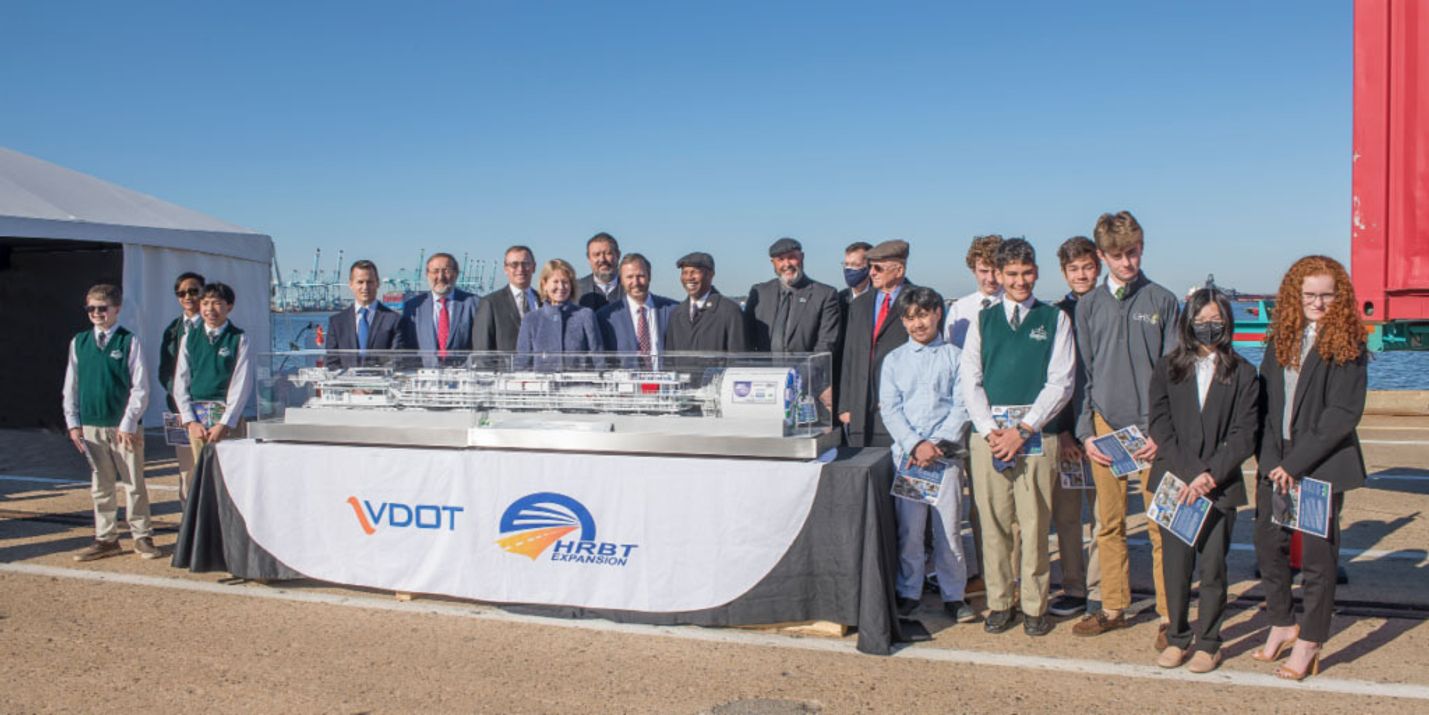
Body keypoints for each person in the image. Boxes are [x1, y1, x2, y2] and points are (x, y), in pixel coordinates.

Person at [1252, 255, 1368, 681]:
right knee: (1268, 542)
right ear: (1294, 297)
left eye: (1326, 295)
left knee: (1319, 558)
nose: (1318, 303)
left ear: (1339, 297)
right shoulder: (1282, 338)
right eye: (1310, 295)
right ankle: (1282, 621)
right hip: (1278, 460)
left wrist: (1295, 465)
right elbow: (1265, 407)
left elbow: (1341, 415)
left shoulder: (1348, 344)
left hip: (1320, 464)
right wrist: (1270, 463)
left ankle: (1311, 640)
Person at [1072, 211, 1180, 644]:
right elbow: (1082, 373)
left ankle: (1170, 615)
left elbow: (1176, 374)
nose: (1127, 263)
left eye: (1133, 253)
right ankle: (1113, 607)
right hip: (1105, 427)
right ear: (1101, 257)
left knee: (1160, 524)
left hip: (1152, 430)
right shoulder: (1088, 306)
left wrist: (1163, 431)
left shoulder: (1163, 301)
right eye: (1117, 256)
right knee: (1109, 522)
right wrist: (1085, 432)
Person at [960, 238, 1074, 636]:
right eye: (1012, 274)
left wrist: (1024, 430)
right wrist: (993, 432)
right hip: (990, 438)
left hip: (1036, 437)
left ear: (1036, 272)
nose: (1020, 280)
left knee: (1036, 523)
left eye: (1027, 273)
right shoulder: (983, 319)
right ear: (999, 275)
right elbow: (970, 380)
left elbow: (1061, 382)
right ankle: (999, 602)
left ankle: (1034, 605)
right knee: (993, 525)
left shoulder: (1054, 318)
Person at [1146, 288, 1258, 674]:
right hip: (1177, 483)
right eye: (1202, 321)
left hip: (1219, 485)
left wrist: (1212, 474)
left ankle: (1210, 642)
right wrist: (1191, 472)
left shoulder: (1243, 371)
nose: (1208, 328)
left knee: (1213, 569)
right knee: (1176, 568)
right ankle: (1177, 637)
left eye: (1216, 321)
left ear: (1227, 324)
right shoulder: (1167, 368)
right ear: (1188, 322)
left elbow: (1246, 432)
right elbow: (1160, 423)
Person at [879, 286, 977, 624]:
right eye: (910, 317)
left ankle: (954, 593)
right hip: (908, 460)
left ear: (937, 313)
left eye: (923, 314)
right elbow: (890, 409)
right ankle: (909, 590)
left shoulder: (956, 356)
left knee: (948, 530)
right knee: (910, 530)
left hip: (944, 459)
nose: (918, 324)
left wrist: (935, 444)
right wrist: (914, 444)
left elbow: (962, 405)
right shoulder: (894, 360)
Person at [63, 284, 158, 561]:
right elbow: (71, 384)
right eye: (91, 308)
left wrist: (128, 422)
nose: (96, 313)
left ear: (116, 309)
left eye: (102, 308)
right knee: (101, 484)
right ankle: (106, 538)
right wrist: (73, 422)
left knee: (133, 483)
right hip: (92, 424)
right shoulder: (79, 342)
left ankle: (142, 535)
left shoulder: (129, 341)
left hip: (122, 427)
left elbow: (140, 387)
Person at [1046, 236, 1103, 618]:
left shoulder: (1109, 307)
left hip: (1105, 426)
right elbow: (1053, 378)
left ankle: (1102, 587)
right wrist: (1064, 430)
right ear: (1064, 272)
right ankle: (1074, 585)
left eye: (1087, 267)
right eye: (1073, 269)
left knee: (1104, 516)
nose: (1081, 275)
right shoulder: (1057, 315)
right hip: (1067, 431)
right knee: (1067, 516)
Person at [173, 282, 254, 485]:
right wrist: (190, 420)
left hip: (225, 417)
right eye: (206, 303)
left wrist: (225, 422)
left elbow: (241, 383)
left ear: (229, 306)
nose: (210, 309)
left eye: (217, 303)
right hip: (197, 419)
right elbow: (181, 381)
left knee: (231, 475)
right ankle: (200, 517)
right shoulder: (190, 337)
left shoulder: (238, 338)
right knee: (199, 476)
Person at [838, 239, 912, 447]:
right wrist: (845, 404)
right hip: (860, 410)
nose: (871, 273)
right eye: (870, 267)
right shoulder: (860, 304)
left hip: (900, 410)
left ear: (898, 270)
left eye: (878, 268)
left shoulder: (916, 300)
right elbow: (850, 355)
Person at [744, 237, 841, 355]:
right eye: (780, 259)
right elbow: (747, 337)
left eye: (791, 257)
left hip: (805, 372)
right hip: (766, 371)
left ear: (802, 257)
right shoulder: (759, 293)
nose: (787, 264)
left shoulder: (824, 295)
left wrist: (807, 370)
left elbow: (826, 344)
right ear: (773, 263)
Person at [159, 271, 204, 501]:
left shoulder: (212, 327)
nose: (188, 297)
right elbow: (165, 369)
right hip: (179, 410)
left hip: (208, 409)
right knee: (186, 471)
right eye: (182, 293)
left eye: (193, 291)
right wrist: (179, 397)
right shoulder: (173, 329)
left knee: (208, 469)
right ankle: (187, 522)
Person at [516, 258, 603, 369]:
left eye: (565, 282)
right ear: (544, 285)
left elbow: (598, 358)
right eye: (556, 282)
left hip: (580, 385)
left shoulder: (585, 315)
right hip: (542, 385)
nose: (561, 287)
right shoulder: (531, 319)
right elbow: (522, 363)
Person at [596, 253, 677, 365]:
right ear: (622, 280)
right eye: (629, 277)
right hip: (625, 381)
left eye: (641, 276)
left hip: (663, 380)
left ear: (649, 276)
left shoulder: (673, 310)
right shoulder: (606, 317)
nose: (636, 282)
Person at [400, 252, 479, 358]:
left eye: (446, 271)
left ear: (456, 274)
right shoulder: (413, 307)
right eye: (435, 271)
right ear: (427, 274)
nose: (441, 277)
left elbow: (480, 345)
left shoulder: (474, 304)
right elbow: (407, 347)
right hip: (426, 372)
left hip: (462, 372)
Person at [664, 252, 747, 352]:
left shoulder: (729, 312)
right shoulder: (676, 315)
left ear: (710, 274)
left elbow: (738, 359)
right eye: (684, 272)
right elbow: (670, 361)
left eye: (695, 272)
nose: (689, 277)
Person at [327, 260, 403, 367]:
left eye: (370, 282)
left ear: (378, 283)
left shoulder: (394, 320)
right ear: (351, 284)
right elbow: (332, 362)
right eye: (360, 282)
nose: (365, 287)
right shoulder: (337, 322)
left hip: (381, 382)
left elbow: (397, 359)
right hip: (346, 382)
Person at [474, 246, 540, 352]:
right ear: (505, 269)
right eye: (514, 265)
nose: (520, 269)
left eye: (525, 264)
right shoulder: (491, 303)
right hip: (505, 368)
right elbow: (482, 349)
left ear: (534, 267)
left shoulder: (544, 301)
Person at [943, 235, 1004, 348]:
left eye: (995, 271)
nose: (991, 278)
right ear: (973, 270)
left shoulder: (1016, 307)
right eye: (984, 271)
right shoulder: (959, 309)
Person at [575, 232, 624, 311]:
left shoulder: (631, 289)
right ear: (589, 258)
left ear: (618, 255)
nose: (602, 259)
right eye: (596, 255)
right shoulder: (576, 290)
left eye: (608, 253)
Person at [838, 241, 874, 312]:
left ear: (870, 266)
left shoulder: (880, 298)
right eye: (846, 264)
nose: (849, 269)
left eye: (855, 265)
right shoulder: (839, 298)